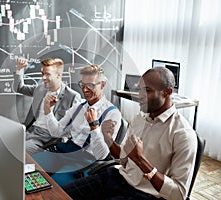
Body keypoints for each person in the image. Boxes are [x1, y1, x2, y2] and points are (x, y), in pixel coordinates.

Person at [62, 67, 198, 200]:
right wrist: (108, 140)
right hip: (117, 178)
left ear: (167, 92)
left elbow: (179, 194)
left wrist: (141, 161)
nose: (140, 96)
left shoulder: (183, 134)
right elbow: (123, 160)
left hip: (145, 194)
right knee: (59, 195)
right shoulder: (139, 118)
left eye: (148, 90)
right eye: (139, 89)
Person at [31, 64, 122, 184]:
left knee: (55, 186)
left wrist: (94, 126)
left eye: (90, 85)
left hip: (85, 161)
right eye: (83, 85)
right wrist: (48, 111)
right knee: (28, 167)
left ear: (102, 85)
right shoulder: (79, 107)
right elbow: (57, 132)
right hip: (66, 151)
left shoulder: (112, 114)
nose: (84, 90)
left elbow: (102, 155)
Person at [13, 57, 81, 154]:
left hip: (47, 138)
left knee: (17, 151)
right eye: (43, 74)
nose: (43, 78)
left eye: (47, 74)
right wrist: (19, 69)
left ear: (58, 75)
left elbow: (74, 128)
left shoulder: (72, 96)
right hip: (29, 131)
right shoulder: (40, 89)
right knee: (2, 144)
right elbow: (19, 88)